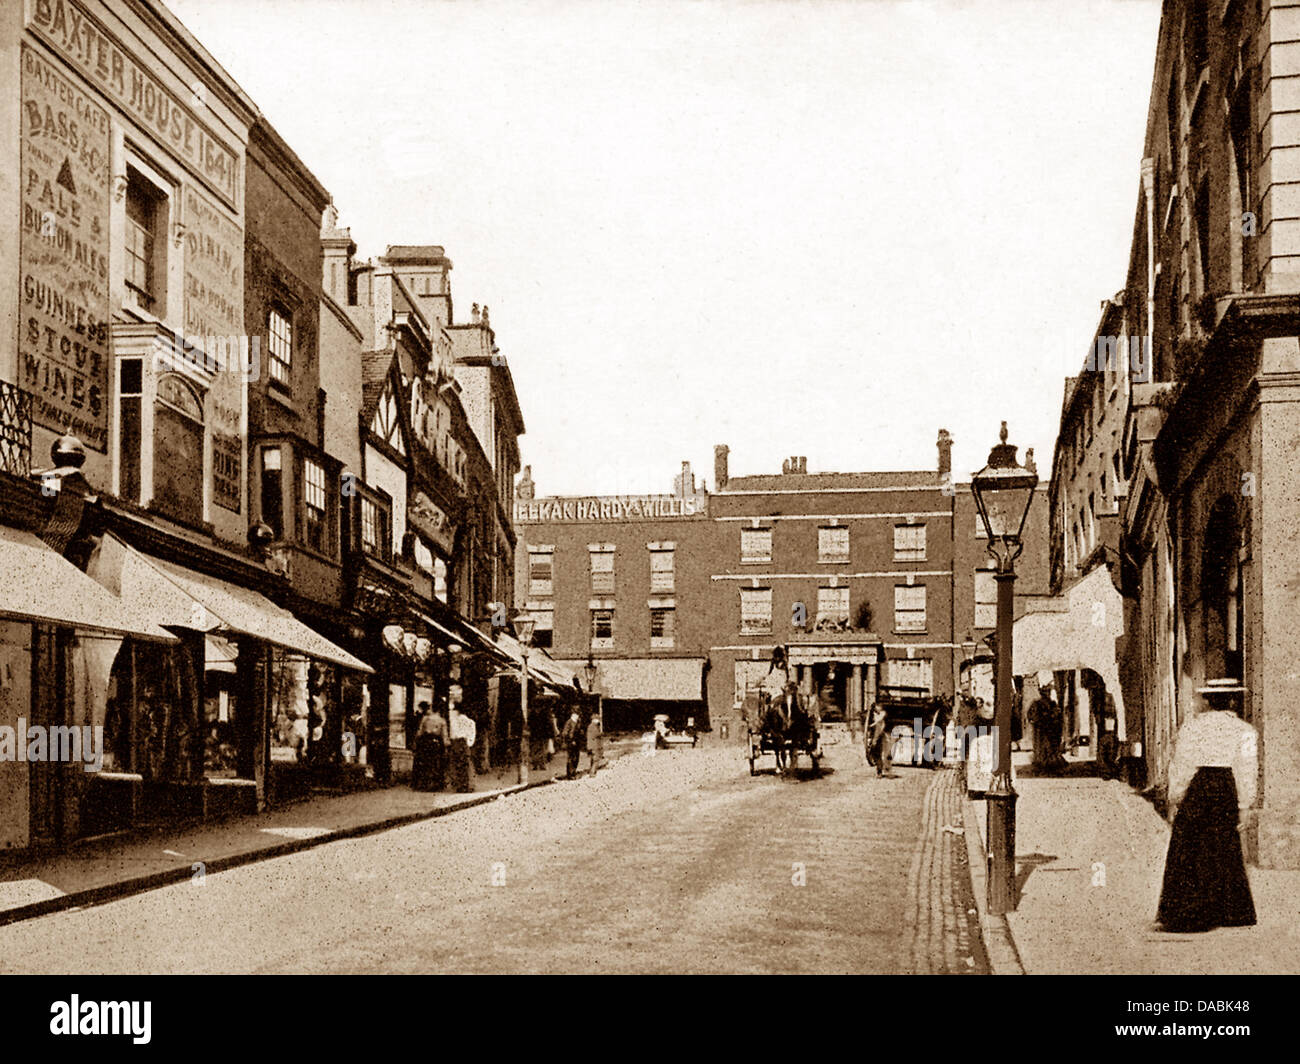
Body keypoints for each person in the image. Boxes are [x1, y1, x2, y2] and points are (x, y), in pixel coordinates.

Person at [1156, 679, 1257, 934]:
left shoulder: (1192, 728)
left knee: (1191, 845)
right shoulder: (1245, 731)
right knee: (1223, 844)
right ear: (1233, 700)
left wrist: (1176, 797)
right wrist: (1244, 804)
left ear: (1208, 701)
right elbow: (1246, 769)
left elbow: (1182, 764)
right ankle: (1230, 910)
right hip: (1226, 787)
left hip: (1200, 786)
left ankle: (1187, 910)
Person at [411, 701, 448, 791]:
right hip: (437, 743)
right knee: (436, 764)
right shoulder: (441, 720)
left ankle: (423, 784)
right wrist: (446, 746)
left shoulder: (426, 719)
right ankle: (436, 785)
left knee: (425, 764)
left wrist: (415, 742)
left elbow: (419, 733)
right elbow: (444, 735)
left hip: (425, 742)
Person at [447, 686, 476, 793]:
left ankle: (461, 785)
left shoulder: (458, 719)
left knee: (458, 765)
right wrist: (469, 743)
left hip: (458, 742)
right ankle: (466, 786)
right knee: (465, 765)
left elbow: (452, 732)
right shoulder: (468, 721)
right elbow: (472, 733)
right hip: (462, 742)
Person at [866, 702, 893, 778]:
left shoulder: (882, 714)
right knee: (875, 752)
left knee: (882, 753)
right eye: (876, 707)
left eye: (878, 706)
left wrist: (871, 725)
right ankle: (879, 770)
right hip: (875, 736)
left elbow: (879, 721)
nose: (877, 708)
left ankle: (881, 771)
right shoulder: (874, 715)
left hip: (881, 736)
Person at [561, 707, 584, 779]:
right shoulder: (569, 722)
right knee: (571, 758)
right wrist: (570, 740)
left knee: (576, 758)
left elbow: (579, 732)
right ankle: (570, 774)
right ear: (573, 715)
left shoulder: (578, 722)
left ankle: (573, 772)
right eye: (576, 715)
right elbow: (564, 733)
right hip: (571, 743)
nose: (578, 716)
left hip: (577, 743)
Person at [585, 712, 603, 776]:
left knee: (593, 759)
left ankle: (591, 771)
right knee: (596, 759)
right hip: (594, 745)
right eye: (597, 719)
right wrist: (600, 733)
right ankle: (592, 772)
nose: (598, 721)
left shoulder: (592, 726)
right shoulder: (592, 726)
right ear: (594, 720)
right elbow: (595, 735)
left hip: (592, 745)